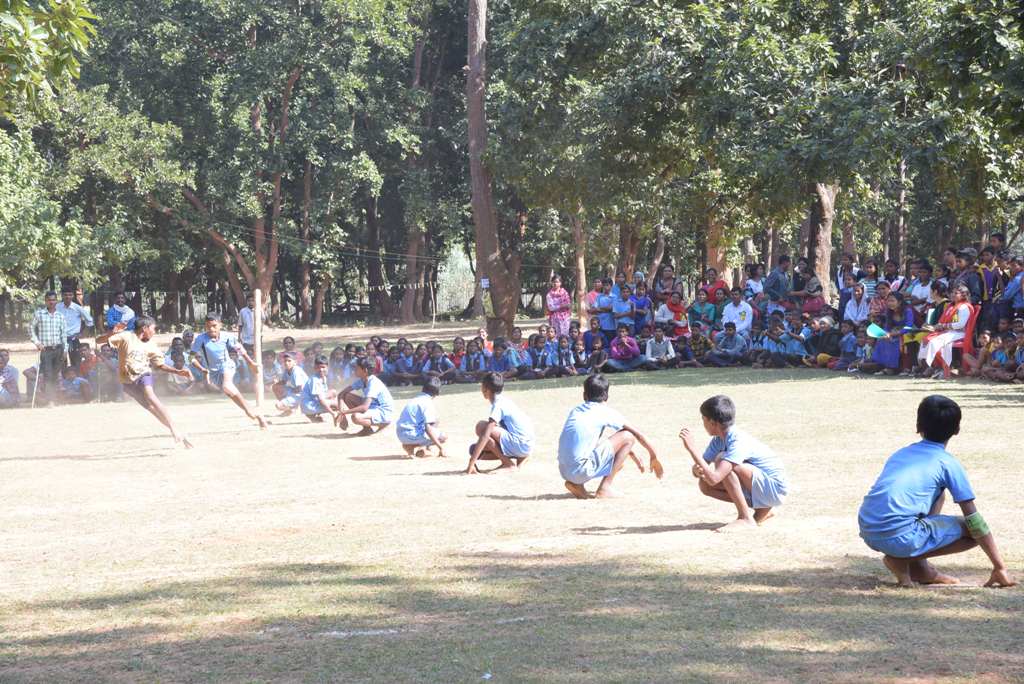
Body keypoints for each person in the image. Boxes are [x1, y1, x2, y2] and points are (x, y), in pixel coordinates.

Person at [858, 395, 1015, 588]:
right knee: (973, 532)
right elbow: (973, 519)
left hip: (869, 529)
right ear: (957, 429)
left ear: (918, 426)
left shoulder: (901, 453)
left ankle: (921, 570)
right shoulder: (947, 463)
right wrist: (999, 566)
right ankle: (900, 560)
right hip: (899, 536)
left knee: (939, 494)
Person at [679, 395, 788, 531]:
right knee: (704, 485)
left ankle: (745, 518)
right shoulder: (718, 440)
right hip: (761, 488)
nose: (703, 424)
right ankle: (763, 510)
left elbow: (714, 478)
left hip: (774, 489)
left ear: (713, 423)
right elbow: (705, 473)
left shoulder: (738, 441)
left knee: (721, 460)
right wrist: (697, 471)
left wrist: (692, 448)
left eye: (703, 419)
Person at [557, 373, 662, 499]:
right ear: (606, 396)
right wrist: (653, 456)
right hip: (581, 471)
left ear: (584, 395)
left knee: (617, 460)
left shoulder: (576, 410)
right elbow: (636, 434)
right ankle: (604, 488)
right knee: (628, 436)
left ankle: (577, 485)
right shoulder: (605, 412)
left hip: (564, 470)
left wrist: (632, 454)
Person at [96, 316, 193, 447]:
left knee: (151, 397)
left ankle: (174, 429)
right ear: (145, 328)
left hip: (144, 374)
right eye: (153, 328)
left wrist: (177, 371)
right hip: (127, 381)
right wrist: (112, 333)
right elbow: (98, 341)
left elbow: (159, 365)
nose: (154, 331)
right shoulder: (125, 337)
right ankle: (176, 431)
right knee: (151, 408)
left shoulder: (151, 345)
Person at [191, 312, 268, 428]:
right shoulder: (201, 339)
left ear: (220, 325)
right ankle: (254, 413)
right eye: (208, 326)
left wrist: (251, 363)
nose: (211, 329)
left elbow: (240, 349)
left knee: (227, 386)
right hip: (213, 372)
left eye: (214, 326)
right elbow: (190, 357)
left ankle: (250, 411)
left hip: (227, 365)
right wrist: (202, 369)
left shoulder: (227, 337)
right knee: (230, 393)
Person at [465, 372, 535, 474]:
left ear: (485, 389)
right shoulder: (505, 400)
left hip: (520, 443)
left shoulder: (498, 405)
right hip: (527, 445)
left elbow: (486, 435)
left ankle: (508, 464)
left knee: (481, 427)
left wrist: (472, 462)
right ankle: (522, 457)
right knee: (474, 449)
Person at [917, 284, 974, 379]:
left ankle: (943, 367)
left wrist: (944, 326)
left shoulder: (964, 307)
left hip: (959, 333)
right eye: (952, 292)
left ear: (964, 295)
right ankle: (935, 366)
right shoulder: (951, 306)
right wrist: (936, 327)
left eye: (956, 293)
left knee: (934, 342)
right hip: (949, 332)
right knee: (926, 339)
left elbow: (960, 324)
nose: (952, 295)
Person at [336, 357, 394, 435]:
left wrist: (343, 413)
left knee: (355, 417)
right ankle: (367, 429)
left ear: (365, 371)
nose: (354, 370)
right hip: (373, 408)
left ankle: (384, 423)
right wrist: (342, 414)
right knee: (347, 396)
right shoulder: (362, 380)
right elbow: (341, 394)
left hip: (383, 411)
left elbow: (364, 408)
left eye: (357, 368)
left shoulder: (373, 383)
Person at [29, 291, 67, 406]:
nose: (51, 302)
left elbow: (64, 334)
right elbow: (30, 329)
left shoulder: (60, 316)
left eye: (53, 300)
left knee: (56, 375)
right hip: (46, 350)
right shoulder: (39, 314)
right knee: (48, 374)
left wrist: (65, 349)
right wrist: (37, 342)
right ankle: (50, 400)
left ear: (56, 301)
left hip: (59, 349)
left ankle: (54, 399)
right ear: (45, 301)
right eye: (49, 300)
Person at [396, 377, 447, 458]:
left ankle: (410, 446)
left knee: (434, 421)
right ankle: (421, 447)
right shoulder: (427, 403)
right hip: (412, 435)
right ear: (438, 392)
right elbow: (428, 428)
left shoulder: (415, 399)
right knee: (443, 436)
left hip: (401, 435)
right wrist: (440, 447)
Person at [57, 288, 93, 367]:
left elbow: (90, 320)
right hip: (59, 340)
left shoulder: (77, 308)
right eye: (65, 295)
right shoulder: (57, 307)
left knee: (76, 363)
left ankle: (77, 378)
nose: (67, 297)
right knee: (61, 363)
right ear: (62, 296)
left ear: (73, 296)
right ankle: (63, 379)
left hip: (73, 340)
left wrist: (83, 333)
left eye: (70, 295)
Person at [299, 355, 339, 423]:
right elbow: (321, 399)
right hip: (309, 406)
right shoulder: (315, 380)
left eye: (323, 367)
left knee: (333, 392)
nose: (321, 369)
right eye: (318, 367)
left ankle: (313, 417)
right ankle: (338, 415)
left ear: (327, 367)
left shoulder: (323, 378)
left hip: (308, 405)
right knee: (337, 404)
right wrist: (332, 413)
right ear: (314, 368)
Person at [238, 292, 267, 356]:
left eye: (252, 300)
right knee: (247, 354)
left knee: (257, 354)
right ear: (246, 302)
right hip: (246, 337)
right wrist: (239, 336)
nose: (251, 302)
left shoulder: (259, 310)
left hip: (257, 336)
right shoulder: (243, 311)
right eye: (249, 301)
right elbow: (240, 324)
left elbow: (263, 320)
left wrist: (260, 331)